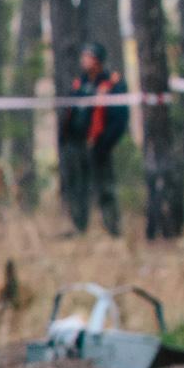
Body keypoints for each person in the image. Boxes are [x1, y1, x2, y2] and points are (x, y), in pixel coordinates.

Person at [57, 42, 128, 236]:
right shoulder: (79, 84)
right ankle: (79, 228)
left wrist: (103, 144)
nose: (85, 60)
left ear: (98, 60)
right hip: (75, 144)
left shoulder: (111, 85)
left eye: (89, 56)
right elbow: (69, 113)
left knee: (105, 188)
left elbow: (119, 120)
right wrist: (64, 139)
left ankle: (113, 230)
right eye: (84, 56)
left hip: (98, 145)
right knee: (77, 187)